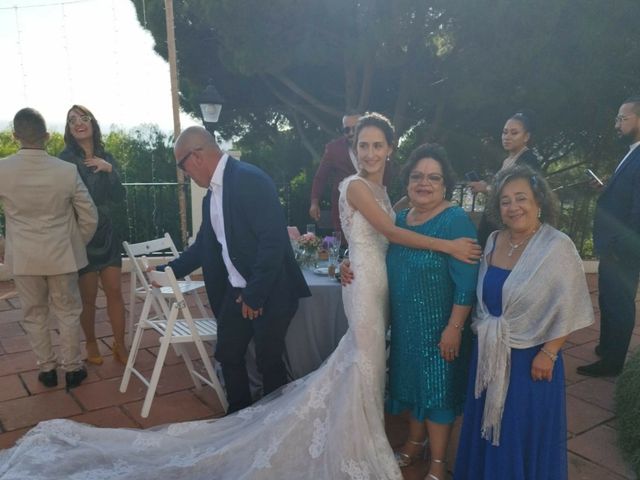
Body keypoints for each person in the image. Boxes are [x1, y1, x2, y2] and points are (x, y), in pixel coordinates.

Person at [454, 165, 594, 480]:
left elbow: (568, 304)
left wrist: (550, 352)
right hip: (490, 353)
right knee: (487, 425)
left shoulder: (556, 246)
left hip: (530, 359)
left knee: (517, 429)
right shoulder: (492, 240)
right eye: (505, 201)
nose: (513, 207)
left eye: (521, 198)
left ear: (539, 203)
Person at [162, 126, 311, 413]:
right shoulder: (212, 196)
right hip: (238, 289)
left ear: (196, 157)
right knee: (228, 354)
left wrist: (255, 295)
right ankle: (240, 417)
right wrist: (169, 270)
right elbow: (204, 244)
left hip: (271, 289)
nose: (186, 175)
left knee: (269, 360)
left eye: (182, 167)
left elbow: (273, 242)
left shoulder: (249, 180)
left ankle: (273, 423)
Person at [384, 144, 479, 480]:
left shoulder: (455, 220)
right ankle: (413, 442)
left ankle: (438, 460)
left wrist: (454, 327)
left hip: (441, 326)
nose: (424, 183)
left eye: (433, 178)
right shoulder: (397, 220)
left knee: (438, 393)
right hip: (406, 325)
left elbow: (467, 281)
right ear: (408, 181)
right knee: (410, 386)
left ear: (444, 184)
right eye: (417, 176)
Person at [0, 108, 97, 391]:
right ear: (46, 136)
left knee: (33, 313)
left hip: (24, 257)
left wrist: (2, 243)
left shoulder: (2, 169)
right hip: (62, 255)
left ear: (15, 135)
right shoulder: (65, 171)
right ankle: (73, 368)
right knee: (67, 312)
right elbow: (89, 214)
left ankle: (47, 369)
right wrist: (77, 243)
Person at [58, 105, 128, 365]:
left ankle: (120, 344)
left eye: (83, 117)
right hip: (82, 235)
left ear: (92, 123)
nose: (78, 122)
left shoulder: (107, 156)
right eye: (72, 120)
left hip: (108, 233)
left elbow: (120, 197)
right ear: (69, 129)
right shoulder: (64, 160)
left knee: (114, 291)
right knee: (87, 298)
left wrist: (109, 169)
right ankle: (90, 343)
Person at [577, 96, 640, 377]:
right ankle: (607, 347)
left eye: (622, 118)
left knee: (619, 303)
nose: (617, 124)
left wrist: (619, 245)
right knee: (608, 299)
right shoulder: (631, 152)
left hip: (622, 248)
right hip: (614, 244)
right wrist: (605, 189)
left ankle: (613, 363)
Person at [309, 112, 392, 241]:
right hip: (346, 208)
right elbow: (321, 177)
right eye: (346, 129)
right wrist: (314, 202)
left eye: (355, 128)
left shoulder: (377, 151)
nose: (351, 133)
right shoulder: (333, 149)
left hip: (376, 201)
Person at [468, 112, 541, 246]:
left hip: (509, 222)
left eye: (514, 133)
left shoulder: (529, 160)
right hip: (494, 220)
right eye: (505, 132)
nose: (507, 137)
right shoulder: (507, 160)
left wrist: (486, 188)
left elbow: (517, 191)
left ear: (526, 137)